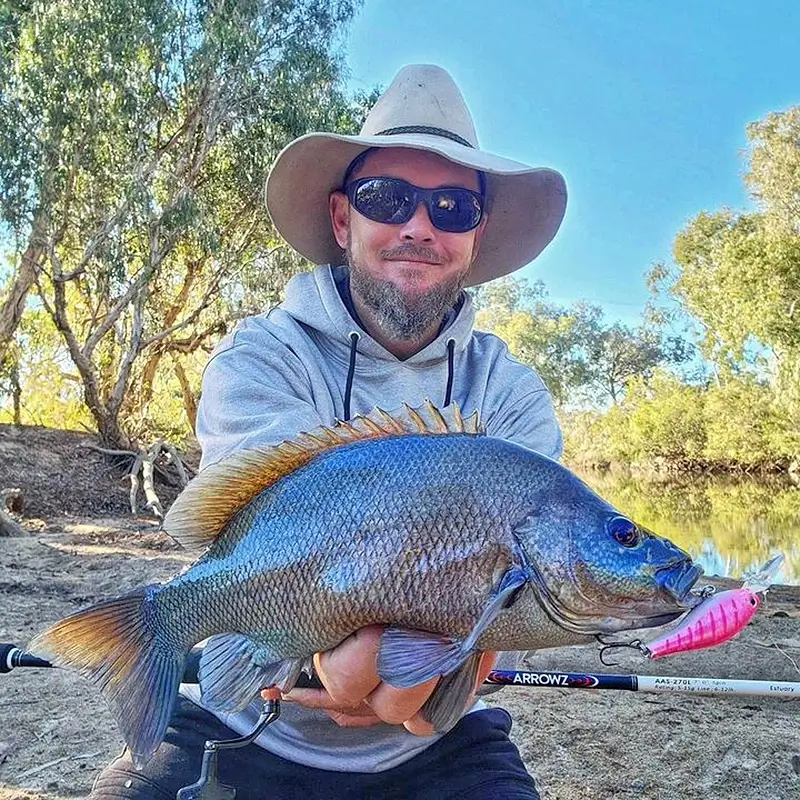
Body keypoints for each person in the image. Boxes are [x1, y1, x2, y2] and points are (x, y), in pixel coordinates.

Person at [90, 64, 567, 799]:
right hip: (243, 718)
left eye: (452, 207)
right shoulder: (260, 357)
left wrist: (428, 687)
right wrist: (336, 660)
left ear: (476, 237)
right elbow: (260, 531)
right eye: (389, 198)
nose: (418, 225)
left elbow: (506, 612)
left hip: (428, 749)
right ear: (344, 220)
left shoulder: (510, 396)